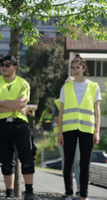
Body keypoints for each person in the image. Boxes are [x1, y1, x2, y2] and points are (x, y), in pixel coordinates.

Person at [0, 55, 36, 200]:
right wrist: (12, 106)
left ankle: (29, 192)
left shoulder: (23, 83)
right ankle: (9, 194)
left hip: (20, 123)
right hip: (0, 124)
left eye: (8, 65)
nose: (4, 67)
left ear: (15, 67)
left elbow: (21, 103)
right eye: (2, 64)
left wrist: (0, 102)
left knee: (27, 158)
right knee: (6, 161)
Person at [58, 54, 101, 200]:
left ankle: (84, 195)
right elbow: (61, 111)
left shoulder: (94, 86)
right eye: (73, 67)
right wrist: (60, 133)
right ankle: (69, 194)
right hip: (68, 129)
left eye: (78, 67)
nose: (75, 70)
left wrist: (97, 131)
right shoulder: (66, 86)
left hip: (87, 129)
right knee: (68, 163)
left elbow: (97, 111)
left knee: (85, 164)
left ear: (84, 68)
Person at [52, 77, 81, 197]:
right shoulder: (58, 102)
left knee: (78, 162)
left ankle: (79, 188)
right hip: (62, 136)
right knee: (66, 163)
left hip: (78, 135)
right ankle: (68, 190)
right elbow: (57, 120)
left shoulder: (79, 101)